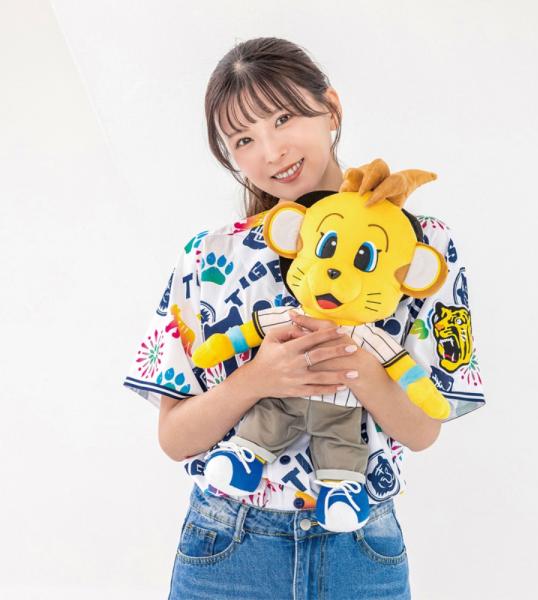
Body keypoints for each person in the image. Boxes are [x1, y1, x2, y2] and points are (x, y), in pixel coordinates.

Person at [123, 37, 485, 600]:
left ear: (331, 108)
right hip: (226, 548)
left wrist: (358, 366)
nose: (271, 152)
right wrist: (258, 379)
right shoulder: (207, 256)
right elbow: (174, 438)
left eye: (283, 118)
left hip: (360, 546)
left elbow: (422, 431)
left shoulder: (420, 248)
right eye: (243, 139)